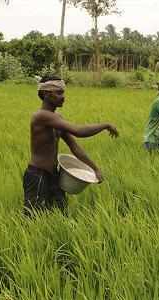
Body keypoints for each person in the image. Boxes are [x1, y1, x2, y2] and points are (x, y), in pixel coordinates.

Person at [23, 75, 119, 216]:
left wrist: (95, 169)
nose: (63, 97)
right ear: (46, 94)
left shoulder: (57, 119)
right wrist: (105, 125)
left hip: (53, 174)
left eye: (63, 93)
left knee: (60, 212)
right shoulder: (41, 116)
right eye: (59, 93)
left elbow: (74, 147)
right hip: (37, 175)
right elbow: (78, 131)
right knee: (33, 217)